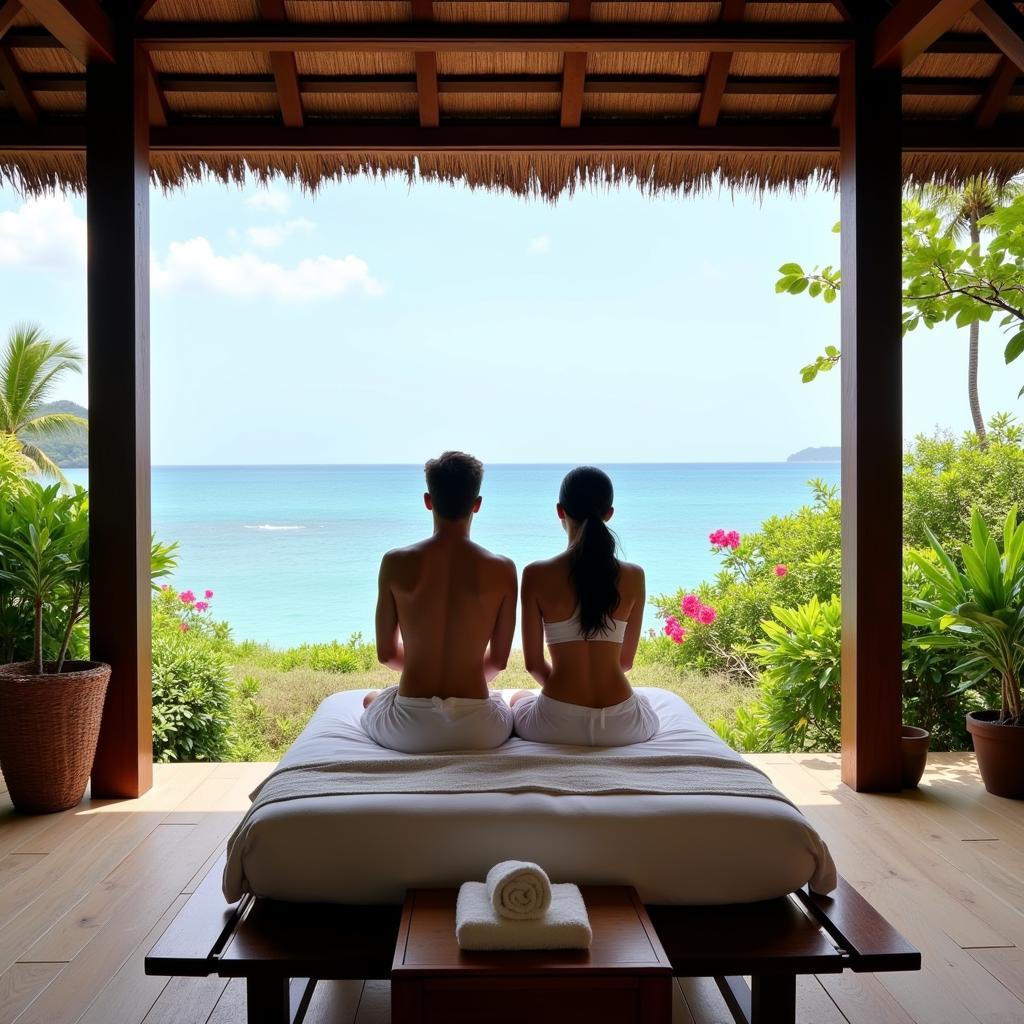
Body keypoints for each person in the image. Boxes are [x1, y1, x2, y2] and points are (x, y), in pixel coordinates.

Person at [362, 451, 517, 753]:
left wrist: (429, 666)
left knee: (371, 699)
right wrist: (460, 670)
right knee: (512, 702)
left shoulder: (395, 562)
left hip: (408, 729)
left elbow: (386, 654)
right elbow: (498, 661)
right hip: (478, 730)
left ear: (428, 500)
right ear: (477, 504)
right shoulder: (503, 569)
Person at [512, 466, 659, 746]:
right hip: (622, 724)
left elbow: (533, 664)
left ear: (560, 511)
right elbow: (625, 662)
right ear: (609, 514)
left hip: (555, 723)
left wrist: (568, 700)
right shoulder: (634, 576)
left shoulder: (536, 574)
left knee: (520, 698)